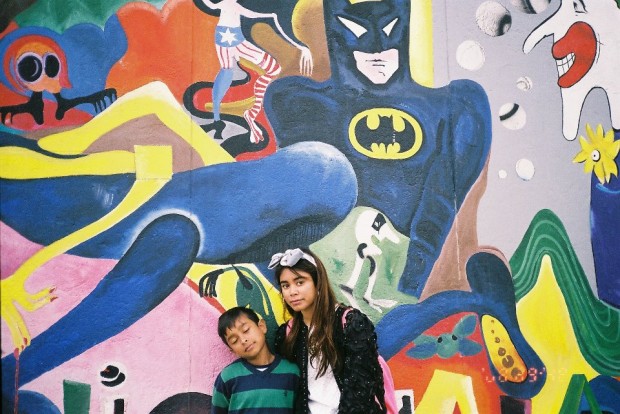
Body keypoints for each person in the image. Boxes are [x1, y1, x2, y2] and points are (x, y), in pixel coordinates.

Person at [271, 248, 387, 413]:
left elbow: (361, 390)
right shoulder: (287, 334)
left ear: (318, 282)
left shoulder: (350, 324)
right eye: (285, 285)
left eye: (300, 282)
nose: (292, 292)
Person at [200, 0, 313, 143]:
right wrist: (300, 46)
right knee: (227, 72)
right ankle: (217, 118)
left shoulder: (235, 7)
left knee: (273, 68)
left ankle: (251, 112)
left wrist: (300, 46)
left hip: (238, 40)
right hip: (225, 40)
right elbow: (267, 15)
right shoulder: (227, 5)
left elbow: (268, 16)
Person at [212, 306, 300, 413]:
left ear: (262, 326)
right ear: (232, 350)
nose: (243, 340)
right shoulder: (227, 377)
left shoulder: (291, 372)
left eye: (246, 330)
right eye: (234, 340)